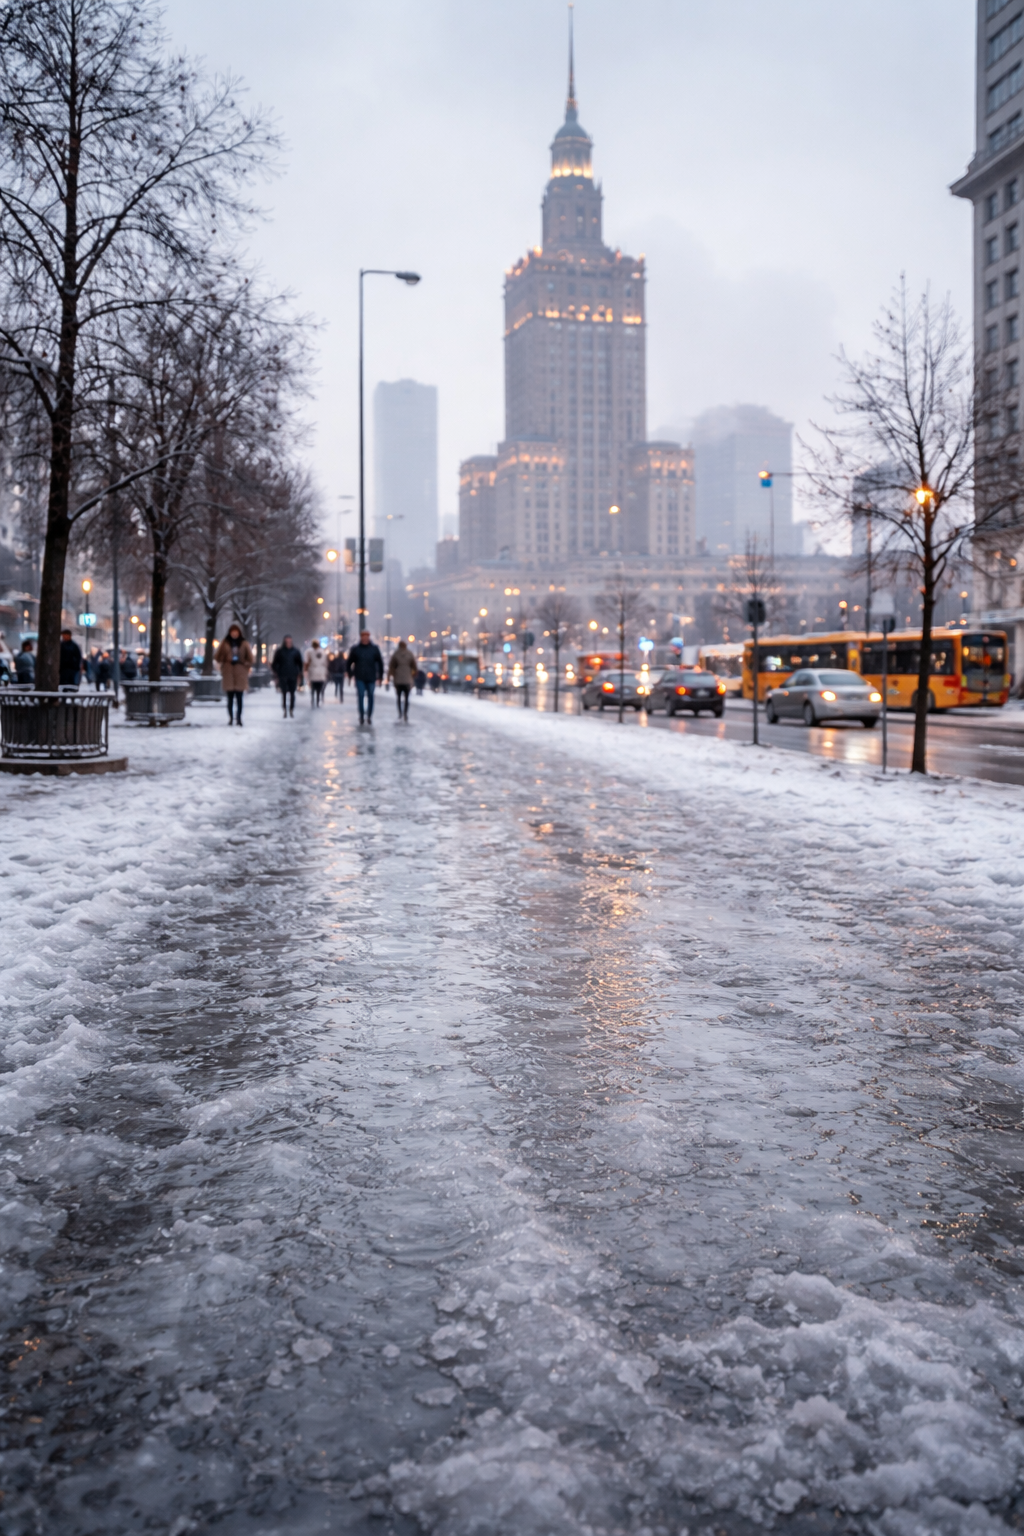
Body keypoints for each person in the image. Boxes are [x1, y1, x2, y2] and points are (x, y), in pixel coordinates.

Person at [215, 623, 254, 726]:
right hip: (228, 673)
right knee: (230, 699)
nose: (234, 634)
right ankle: (231, 718)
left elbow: (250, 659)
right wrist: (225, 659)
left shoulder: (244, 643)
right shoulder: (225, 643)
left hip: (240, 674)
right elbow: (217, 657)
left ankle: (239, 718)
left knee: (240, 698)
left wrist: (244, 665)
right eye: (233, 632)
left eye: (236, 632)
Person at [347, 629, 384, 725]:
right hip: (360, 677)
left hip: (371, 677)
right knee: (361, 695)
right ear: (361, 637)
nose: (365, 638)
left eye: (367, 636)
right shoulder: (356, 649)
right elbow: (349, 662)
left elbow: (380, 663)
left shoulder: (374, 649)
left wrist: (380, 676)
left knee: (371, 695)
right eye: (363, 636)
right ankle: (361, 715)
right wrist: (350, 673)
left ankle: (369, 715)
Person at [271, 635, 303, 717]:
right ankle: (285, 709)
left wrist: (299, 673)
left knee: (292, 693)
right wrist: (277, 671)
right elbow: (275, 663)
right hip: (283, 675)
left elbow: (300, 663)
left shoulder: (295, 651)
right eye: (287, 641)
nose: (288, 643)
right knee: (284, 693)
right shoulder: (280, 651)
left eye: (290, 641)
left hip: (293, 675)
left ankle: (291, 709)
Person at [388, 639, 417, 721]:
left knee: (399, 697)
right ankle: (405, 713)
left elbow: (391, 667)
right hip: (407, 679)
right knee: (407, 698)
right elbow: (414, 667)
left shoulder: (395, 654)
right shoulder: (410, 654)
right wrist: (412, 675)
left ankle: (400, 713)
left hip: (398, 680)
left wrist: (391, 676)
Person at [304, 639, 328, 707]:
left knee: (313, 688)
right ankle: (317, 700)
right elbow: (325, 663)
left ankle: (313, 699)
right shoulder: (323, 652)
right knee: (319, 689)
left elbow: (306, 662)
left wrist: (305, 671)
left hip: (312, 672)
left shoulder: (308, 652)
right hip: (321, 673)